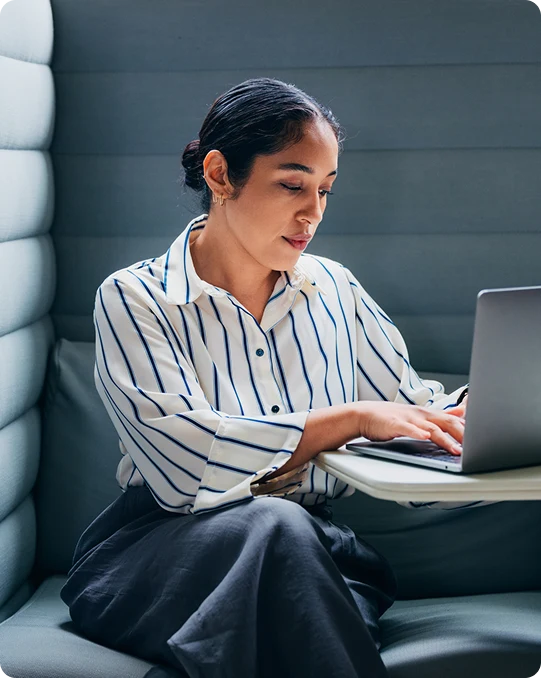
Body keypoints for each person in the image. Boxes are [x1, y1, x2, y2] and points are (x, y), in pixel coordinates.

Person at [61, 77, 476, 678]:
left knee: (286, 554)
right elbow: (186, 471)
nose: (313, 213)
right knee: (278, 537)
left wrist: (489, 414)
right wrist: (351, 419)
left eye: (326, 191)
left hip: (315, 553)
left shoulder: (337, 290)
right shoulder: (135, 298)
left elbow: (413, 417)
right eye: (292, 185)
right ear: (220, 174)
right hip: (161, 553)